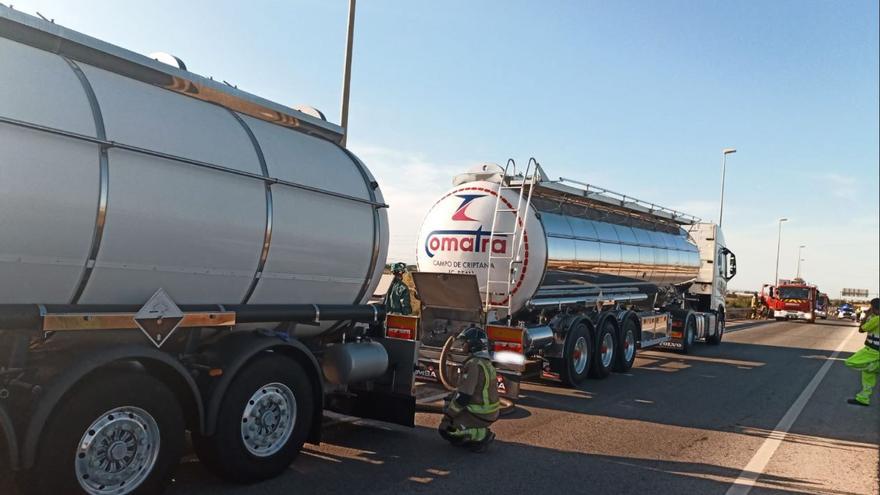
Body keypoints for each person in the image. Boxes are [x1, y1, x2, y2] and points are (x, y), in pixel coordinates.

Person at [438, 327, 500, 452]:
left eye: (466, 342)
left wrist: (449, 415)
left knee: (446, 430)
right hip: (489, 412)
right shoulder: (486, 363)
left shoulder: (473, 364)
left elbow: (464, 396)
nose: (463, 345)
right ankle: (479, 430)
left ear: (473, 345)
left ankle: (478, 435)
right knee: (451, 398)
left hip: (479, 412)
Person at [845, 297, 879, 407]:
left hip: (872, 351)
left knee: (851, 362)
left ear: (874, 308)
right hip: (872, 349)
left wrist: (866, 316)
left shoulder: (876, 319)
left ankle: (877, 366)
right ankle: (863, 398)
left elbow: (862, 329)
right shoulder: (875, 317)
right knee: (867, 375)